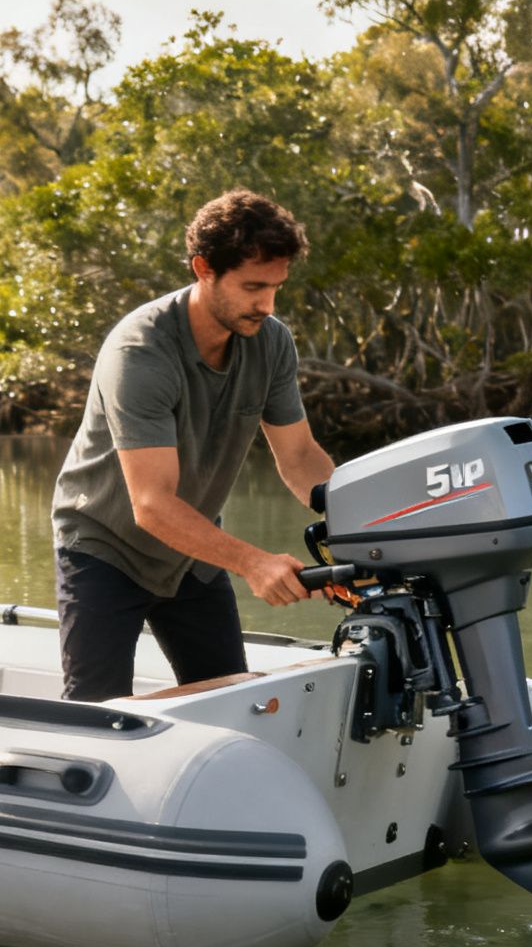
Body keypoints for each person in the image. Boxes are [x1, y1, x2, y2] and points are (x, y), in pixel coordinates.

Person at [51, 189, 336, 702]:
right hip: (104, 548)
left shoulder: (270, 341)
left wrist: (361, 526)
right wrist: (254, 563)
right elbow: (152, 505)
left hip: (193, 557)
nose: (267, 305)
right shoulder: (141, 351)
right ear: (204, 268)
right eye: (252, 287)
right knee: (93, 718)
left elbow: (299, 457)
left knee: (230, 703)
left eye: (276, 287)